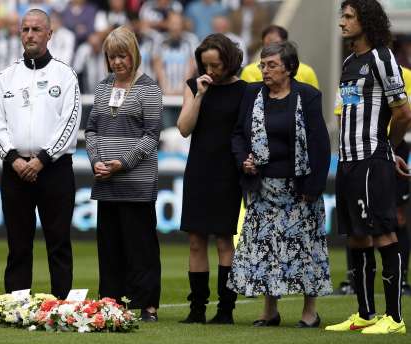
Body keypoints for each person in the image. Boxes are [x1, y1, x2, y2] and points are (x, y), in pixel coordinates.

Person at [229, 41, 332, 328]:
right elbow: (238, 135)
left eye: (271, 65)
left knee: (306, 249)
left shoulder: (308, 96)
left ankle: (310, 312)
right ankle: (269, 311)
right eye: (262, 64)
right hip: (262, 186)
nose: (265, 70)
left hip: (299, 188)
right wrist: (244, 161)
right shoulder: (252, 94)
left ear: (289, 68)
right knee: (264, 249)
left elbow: (320, 144)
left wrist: (313, 188)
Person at [326, 0, 411, 335]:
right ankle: (364, 313)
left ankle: (394, 318)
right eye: (342, 15)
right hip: (347, 161)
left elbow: (403, 112)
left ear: (367, 20)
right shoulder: (349, 62)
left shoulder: (382, 57)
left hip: (371, 159)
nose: (342, 21)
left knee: (383, 234)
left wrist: (387, 149)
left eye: (349, 16)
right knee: (358, 237)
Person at [0, 9, 80, 299]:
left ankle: (64, 305)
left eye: (36, 29)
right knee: (18, 244)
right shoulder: (6, 77)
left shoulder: (65, 75)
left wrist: (42, 159)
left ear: (49, 34)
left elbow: (70, 122)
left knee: (58, 242)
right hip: (14, 170)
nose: (30, 35)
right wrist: (14, 159)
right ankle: (16, 304)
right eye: (25, 29)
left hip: (54, 169)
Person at [85, 26, 162, 321]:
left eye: (122, 56)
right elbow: (91, 129)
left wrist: (123, 162)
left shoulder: (149, 88)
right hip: (106, 182)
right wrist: (96, 160)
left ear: (134, 55)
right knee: (109, 247)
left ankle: (148, 305)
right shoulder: (104, 87)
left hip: (137, 182)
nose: (117, 62)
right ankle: (111, 302)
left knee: (141, 246)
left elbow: (151, 135)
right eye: (112, 57)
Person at [176, 33, 246, 324]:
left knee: (223, 241)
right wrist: (201, 95)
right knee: (195, 241)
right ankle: (197, 310)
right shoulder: (195, 86)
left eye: (216, 65)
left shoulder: (245, 90)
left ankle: (225, 309)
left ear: (228, 61)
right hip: (199, 169)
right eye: (206, 65)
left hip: (228, 171)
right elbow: (183, 128)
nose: (211, 71)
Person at [332, 66, 411, 297]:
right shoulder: (348, 67)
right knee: (356, 225)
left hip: (385, 149)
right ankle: (359, 298)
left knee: (393, 219)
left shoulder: (394, 69)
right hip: (353, 153)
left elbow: (404, 114)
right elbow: (341, 112)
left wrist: (389, 146)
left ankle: (398, 297)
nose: (342, 26)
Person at [240, 25, 319, 89]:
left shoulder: (307, 71)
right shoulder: (249, 71)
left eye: (276, 44)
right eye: (267, 45)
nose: (265, 71)